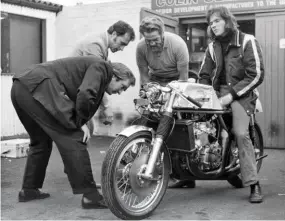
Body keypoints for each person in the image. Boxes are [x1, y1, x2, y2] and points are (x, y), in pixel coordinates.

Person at [11, 56, 136, 209]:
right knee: (74, 136)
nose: (121, 92)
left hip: (21, 87)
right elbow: (85, 93)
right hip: (39, 87)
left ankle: (29, 189)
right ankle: (91, 196)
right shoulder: (103, 68)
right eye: (123, 87)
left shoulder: (95, 69)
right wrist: (80, 122)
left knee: (40, 141)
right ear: (116, 76)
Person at [198, 6, 264, 203]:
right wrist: (203, 94)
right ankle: (187, 175)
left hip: (241, 96)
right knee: (195, 125)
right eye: (211, 23)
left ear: (227, 20)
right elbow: (204, 75)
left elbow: (256, 74)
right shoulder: (212, 46)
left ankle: (254, 183)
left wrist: (231, 95)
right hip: (217, 95)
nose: (213, 25)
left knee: (241, 134)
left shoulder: (247, 41)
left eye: (216, 21)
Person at [136, 16, 195, 189]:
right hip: (155, 81)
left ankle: (186, 175)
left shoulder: (178, 44)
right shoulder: (140, 47)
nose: (152, 44)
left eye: (155, 40)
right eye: (148, 41)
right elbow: (144, 75)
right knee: (146, 118)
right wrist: (149, 96)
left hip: (177, 81)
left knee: (177, 124)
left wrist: (172, 97)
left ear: (162, 34)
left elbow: (183, 77)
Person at [70, 20, 135, 125]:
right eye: (122, 43)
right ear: (114, 34)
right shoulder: (96, 45)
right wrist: (106, 107)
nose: (122, 49)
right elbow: (95, 80)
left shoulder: (102, 47)